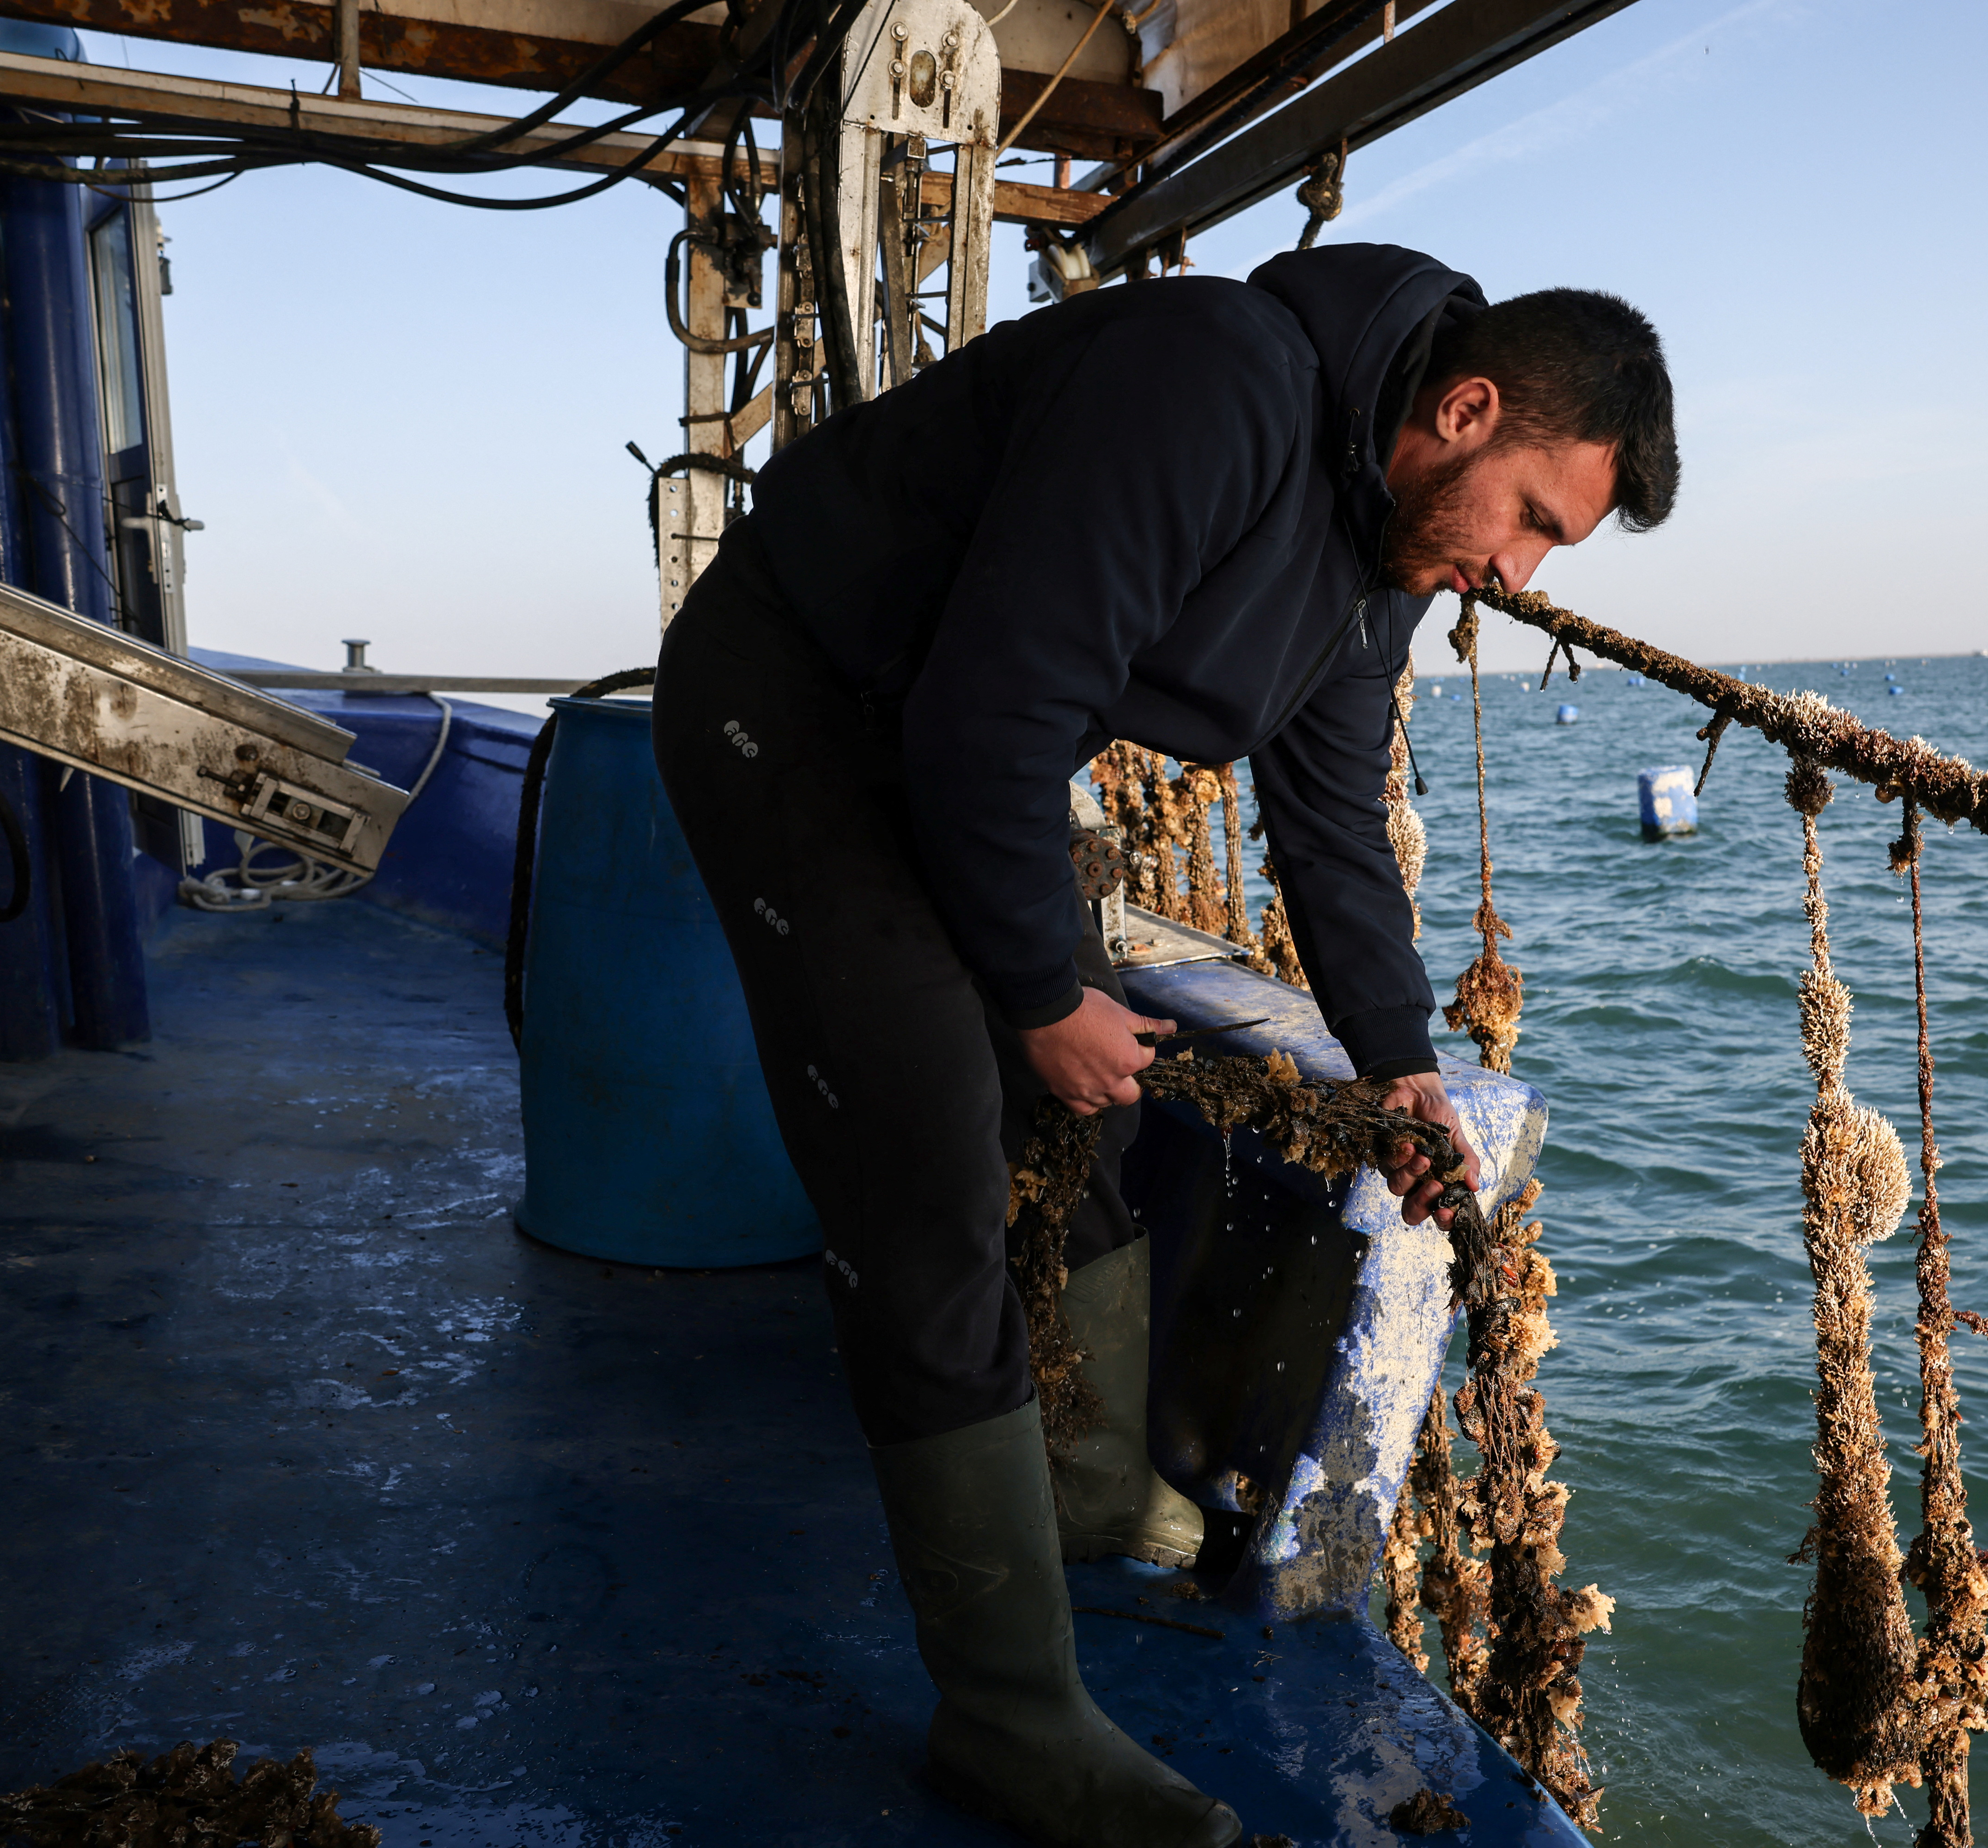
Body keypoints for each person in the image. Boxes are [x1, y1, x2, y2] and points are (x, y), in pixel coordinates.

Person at [651, 240, 1673, 1848]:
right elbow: (997, 705)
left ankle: (1082, 1495)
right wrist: (1041, 999)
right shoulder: (1215, 382)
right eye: (1535, 521)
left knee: (1095, 1123)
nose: (1522, 579)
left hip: (955, 741)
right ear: (1468, 411)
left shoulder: (1380, 555)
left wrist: (1398, 1059)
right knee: (929, 1160)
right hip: (798, 697)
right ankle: (1010, 1717)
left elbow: (1331, 819)